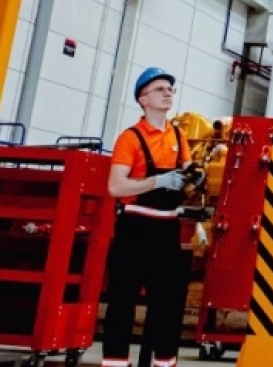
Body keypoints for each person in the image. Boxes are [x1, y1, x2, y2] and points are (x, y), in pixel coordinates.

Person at [102, 66, 194, 367]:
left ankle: (164, 363)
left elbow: (188, 177)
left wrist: (194, 179)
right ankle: (115, 362)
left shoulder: (179, 137)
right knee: (122, 301)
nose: (168, 93)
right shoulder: (129, 139)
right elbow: (116, 186)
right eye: (160, 89)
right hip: (135, 227)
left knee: (167, 305)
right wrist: (157, 181)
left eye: (170, 89)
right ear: (143, 99)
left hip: (167, 228)